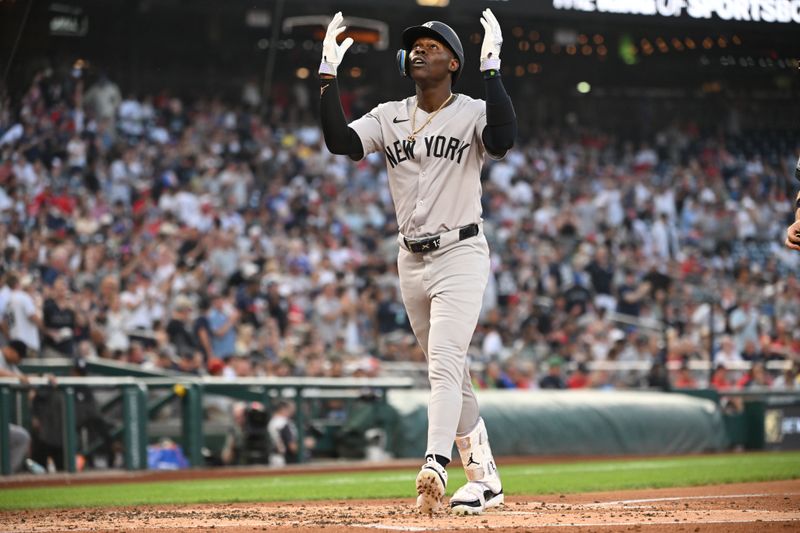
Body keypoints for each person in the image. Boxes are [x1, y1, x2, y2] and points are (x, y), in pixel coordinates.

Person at [319, 9, 515, 515]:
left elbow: (502, 140)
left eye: (433, 44)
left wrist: (492, 70)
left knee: (444, 367)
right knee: (450, 371)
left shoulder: (472, 109)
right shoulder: (389, 114)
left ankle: (434, 463)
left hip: (461, 251)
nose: (421, 49)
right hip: (411, 258)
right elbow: (340, 142)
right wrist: (326, 78)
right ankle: (485, 478)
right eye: (416, 45)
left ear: (454, 61)